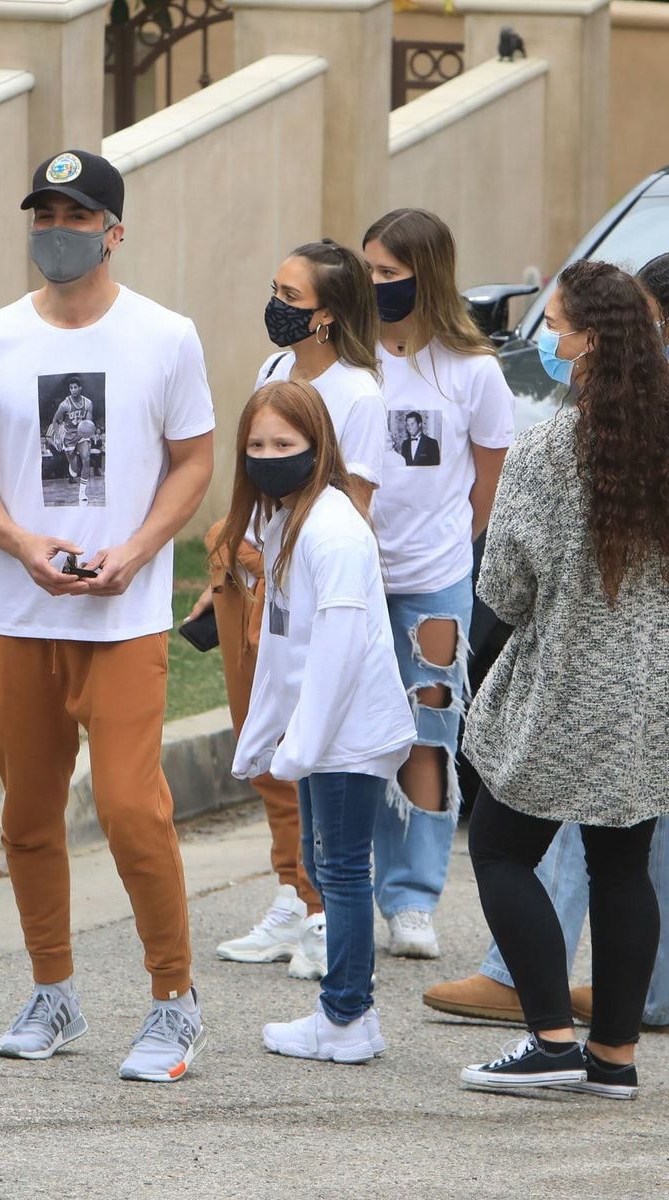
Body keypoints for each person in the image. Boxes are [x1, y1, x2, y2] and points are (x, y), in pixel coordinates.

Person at [0, 149, 215, 1082]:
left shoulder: (166, 335)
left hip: (123, 615)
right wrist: (24, 544)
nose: (54, 232)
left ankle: (174, 999)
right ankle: (53, 988)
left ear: (113, 230)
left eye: (74, 215)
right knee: (26, 814)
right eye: (42, 214)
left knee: (130, 810)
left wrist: (138, 550)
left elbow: (193, 458)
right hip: (19, 614)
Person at [424, 253, 669, 1032]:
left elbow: (504, 592)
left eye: (557, 329)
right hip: (648, 696)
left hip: (562, 689)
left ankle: (551, 1035)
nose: (551, 342)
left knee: (498, 849)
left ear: (591, 341)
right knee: (623, 869)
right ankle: (613, 1059)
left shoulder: (546, 451)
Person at [186, 239, 386, 979]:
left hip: (311, 591)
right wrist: (228, 573)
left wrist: (281, 575)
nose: (276, 305)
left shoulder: (360, 393)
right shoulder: (275, 370)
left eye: (291, 297)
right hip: (252, 579)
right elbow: (255, 488)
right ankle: (289, 895)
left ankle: (326, 912)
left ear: (327, 316)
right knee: (264, 739)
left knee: (318, 749)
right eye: (275, 288)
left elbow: (354, 510)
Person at [227, 379, 416, 1061]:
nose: (269, 455)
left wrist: (299, 749)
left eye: (285, 444)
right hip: (323, 734)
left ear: (318, 448)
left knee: (338, 870)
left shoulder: (331, 530)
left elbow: (336, 651)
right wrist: (259, 739)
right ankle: (350, 1014)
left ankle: (344, 1016)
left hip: (348, 736)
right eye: (256, 444)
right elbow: (283, 647)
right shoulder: (284, 522)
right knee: (324, 862)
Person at [362, 209, 515, 958]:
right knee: (344, 730)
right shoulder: (351, 357)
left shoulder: (473, 370)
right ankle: (330, 890)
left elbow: (489, 485)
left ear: (429, 273)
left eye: (389, 273)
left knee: (428, 731)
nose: (375, 285)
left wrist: (447, 545)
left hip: (435, 583)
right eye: (368, 271)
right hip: (350, 580)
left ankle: (413, 900)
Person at [47, 376, 94, 504]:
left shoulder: (88, 403)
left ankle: (82, 493)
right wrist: (57, 437)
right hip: (68, 437)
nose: (73, 390)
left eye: (75, 387)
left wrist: (89, 433)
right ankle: (72, 466)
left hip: (81, 434)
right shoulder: (64, 405)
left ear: (80, 388)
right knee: (74, 469)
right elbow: (55, 421)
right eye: (71, 388)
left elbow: (88, 422)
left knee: (86, 458)